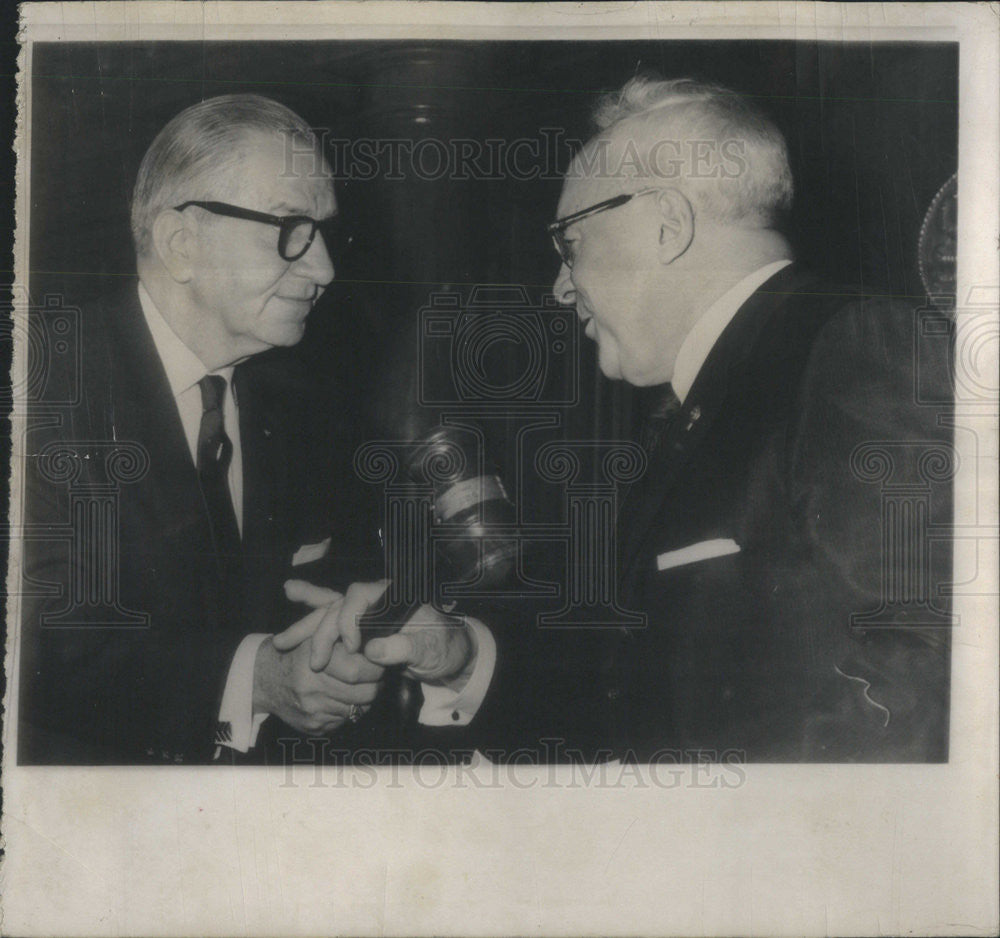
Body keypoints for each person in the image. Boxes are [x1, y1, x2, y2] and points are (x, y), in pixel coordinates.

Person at [18, 94, 493, 765]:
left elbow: (317, 598)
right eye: (289, 227)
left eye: (323, 230)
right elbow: (38, 651)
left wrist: (351, 637)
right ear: (181, 243)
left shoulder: (300, 405)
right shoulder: (37, 387)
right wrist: (256, 680)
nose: (324, 269)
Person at [537, 76, 953, 762]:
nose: (559, 286)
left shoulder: (857, 346)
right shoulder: (712, 397)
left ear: (667, 223)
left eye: (569, 243)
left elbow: (928, 671)